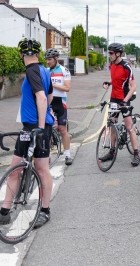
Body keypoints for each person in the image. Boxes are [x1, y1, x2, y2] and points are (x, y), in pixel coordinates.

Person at [0, 38, 54, 228]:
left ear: (21, 54)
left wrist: (40, 126)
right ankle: (5, 210)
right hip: (30, 127)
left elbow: (41, 97)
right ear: (38, 54)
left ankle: (45, 210)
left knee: (39, 168)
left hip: (36, 127)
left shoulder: (32, 71)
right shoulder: (45, 71)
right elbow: (49, 95)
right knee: (16, 167)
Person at [101, 43, 140, 167]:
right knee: (112, 124)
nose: (109, 55)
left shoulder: (126, 66)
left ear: (118, 54)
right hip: (114, 98)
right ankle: (112, 151)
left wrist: (125, 100)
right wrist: (108, 82)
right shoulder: (111, 65)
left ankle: (136, 154)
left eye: (111, 53)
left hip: (124, 99)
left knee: (129, 127)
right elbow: (115, 79)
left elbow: (133, 86)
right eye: (109, 53)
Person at [45, 48, 73, 166]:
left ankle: (67, 155)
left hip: (60, 103)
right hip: (48, 102)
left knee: (62, 130)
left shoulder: (64, 70)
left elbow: (67, 88)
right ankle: (48, 157)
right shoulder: (46, 71)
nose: (48, 62)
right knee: (47, 130)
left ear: (56, 59)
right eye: (46, 59)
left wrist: (53, 85)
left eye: (50, 59)